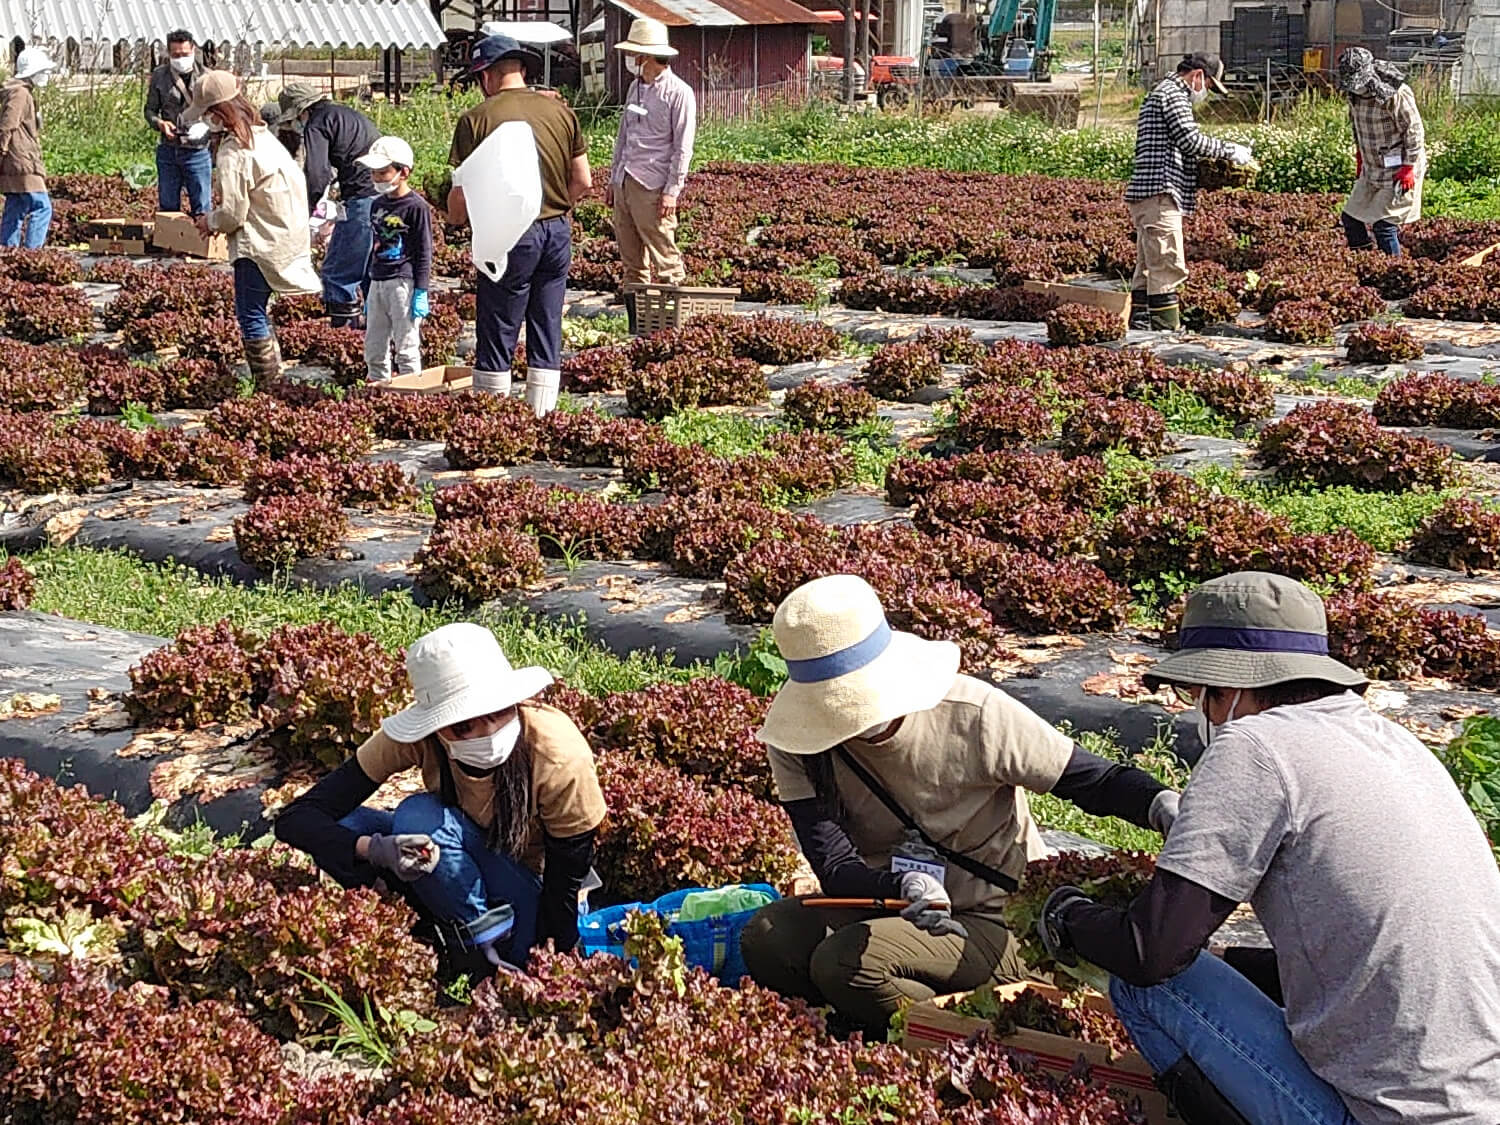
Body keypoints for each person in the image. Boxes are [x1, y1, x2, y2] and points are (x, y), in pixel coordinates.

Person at [1036, 572, 1500, 1125]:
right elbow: (1357, 957)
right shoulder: (1392, 741)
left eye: (1199, 695)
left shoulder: (1254, 746)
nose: (1201, 711)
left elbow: (1150, 953)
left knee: (1145, 989)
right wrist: (1229, 962)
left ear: (1227, 690)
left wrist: (1067, 916)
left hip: (1386, 1116)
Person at [738, 574, 1180, 1038]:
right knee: (771, 935)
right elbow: (834, 862)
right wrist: (905, 883)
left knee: (847, 963)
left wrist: (1159, 804)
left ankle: (966, 1035)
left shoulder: (972, 713)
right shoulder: (799, 745)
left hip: (991, 915)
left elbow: (1090, 779)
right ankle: (865, 1025)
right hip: (889, 901)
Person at [275, 623, 606, 977]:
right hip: (462, 852)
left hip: (529, 884)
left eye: (499, 712)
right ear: (436, 726)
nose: (488, 733)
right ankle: (434, 925)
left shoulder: (558, 755)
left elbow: (566, 879)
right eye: (463, 726)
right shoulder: (420, 738)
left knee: (419, 817)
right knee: (345, 827)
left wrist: (552, 956)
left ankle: (485, 947)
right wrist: (374, 849)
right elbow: (297, 818)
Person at [448, 33, 590, 415]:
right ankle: (543, 414)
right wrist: (557, 209)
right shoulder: (562, 113)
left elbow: (460, 195)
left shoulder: (476, 119)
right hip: (556, 231)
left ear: (487, 76)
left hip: (509, 232)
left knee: (499, 323)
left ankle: (493, 417)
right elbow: (583, 180)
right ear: (523, 70)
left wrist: (456, 221)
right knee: (546, 321)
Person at [184, 71, 319, 387]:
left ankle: (268, 383)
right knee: (261, 309)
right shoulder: (263, 137)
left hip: (258, 242)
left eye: (206, 114)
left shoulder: (234, 150)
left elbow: (233, 212)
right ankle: (276, 379)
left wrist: (210, 222)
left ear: (217, 114)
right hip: (286, 235)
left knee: (251, 313)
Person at [1124, 52, 1251, 332]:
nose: (1206, 93)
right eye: (1208, 85)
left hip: (1149, 191)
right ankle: (1165, 331)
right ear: (1197, 76)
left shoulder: (1163, 92)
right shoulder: (1174, 95)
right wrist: (1231, 151)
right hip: (1160, 192)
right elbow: (1190, 140)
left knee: (1148, 266)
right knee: (1168, 264)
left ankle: (1142, 326)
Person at [606, 16, 696, 329]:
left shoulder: (679, 93)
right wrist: (613, 179)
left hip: (653, 186)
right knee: (632, 261)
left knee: (664, 256)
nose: (631, 60)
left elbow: (682, 147)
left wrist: (673, 190)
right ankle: (639, 327)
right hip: (626, 181)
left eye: (635, 54)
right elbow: (624, 136)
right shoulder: (635, 88)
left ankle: (676, 325)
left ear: (645, 56)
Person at [269, 83, 380, 328]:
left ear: (302, 111)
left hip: (361, 198)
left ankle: (343, 331)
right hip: (381, 194)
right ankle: (377, 332)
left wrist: (306, 208)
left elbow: (317, 173)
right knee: (372, 271)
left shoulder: (318, 123)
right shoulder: (347, 114)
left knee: (338, 271)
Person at [356, 135, 433, 384]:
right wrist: (367, 285)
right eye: (374, 173)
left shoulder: (416, 206)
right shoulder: (376, 204)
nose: (377, 179)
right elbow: (374, 245)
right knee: (374, 347)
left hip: (403, 283)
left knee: (406, 346)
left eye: (383, 172)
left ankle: (411, 397)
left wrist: (421, 290)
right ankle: (379, 394)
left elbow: (424, 250)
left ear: (404, 172)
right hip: (377, 282)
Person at [1336, 47, 1425, 258]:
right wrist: (1360, 156)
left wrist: (1408, 167)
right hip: (1372, 166)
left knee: (1384, 226)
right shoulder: (1354, 95)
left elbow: (1414, 131)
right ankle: (1364, 261)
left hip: (1400, 169)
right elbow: (1356, 125)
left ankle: (1393, 271)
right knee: (1352, 219)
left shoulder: (1396, 94)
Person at [144, 29, 211, 216]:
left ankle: (203, 244)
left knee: (202, 208)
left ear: (194, 50)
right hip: (169, 150)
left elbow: (219, 114)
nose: (180, 58)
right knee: (168, 209)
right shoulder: (159, 76)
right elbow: (149, 110)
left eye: (185, 54)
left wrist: (206, 125)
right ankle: (170, 245)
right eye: (175, 55)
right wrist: (160, 123)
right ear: (168, 53)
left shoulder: (208, 77)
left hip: (197, 150)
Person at [0, 47, 55, 249]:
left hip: (16, 158)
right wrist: (2, 150)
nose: (46, 75)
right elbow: (8, 124)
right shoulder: (20, 94)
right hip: (21, 160)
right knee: (42, 207)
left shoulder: (20, 92)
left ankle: (8, 252)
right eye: (44, 71)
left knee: (16, 205)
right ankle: (32, 253)